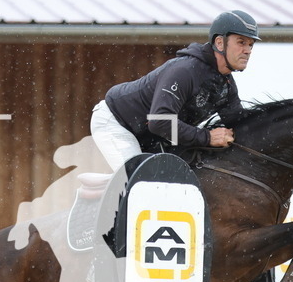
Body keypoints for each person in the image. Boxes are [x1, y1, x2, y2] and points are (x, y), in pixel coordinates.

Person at [90, 10, 261, 172]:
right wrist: (207, 137)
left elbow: (241, 126)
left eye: (250, 45)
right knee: (141, 180)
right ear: (219, 42)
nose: (247, 50)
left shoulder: (226, 84)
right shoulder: (185, 71)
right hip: (116, 123)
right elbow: (160, 122)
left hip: (150, 135)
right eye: (241, 42)